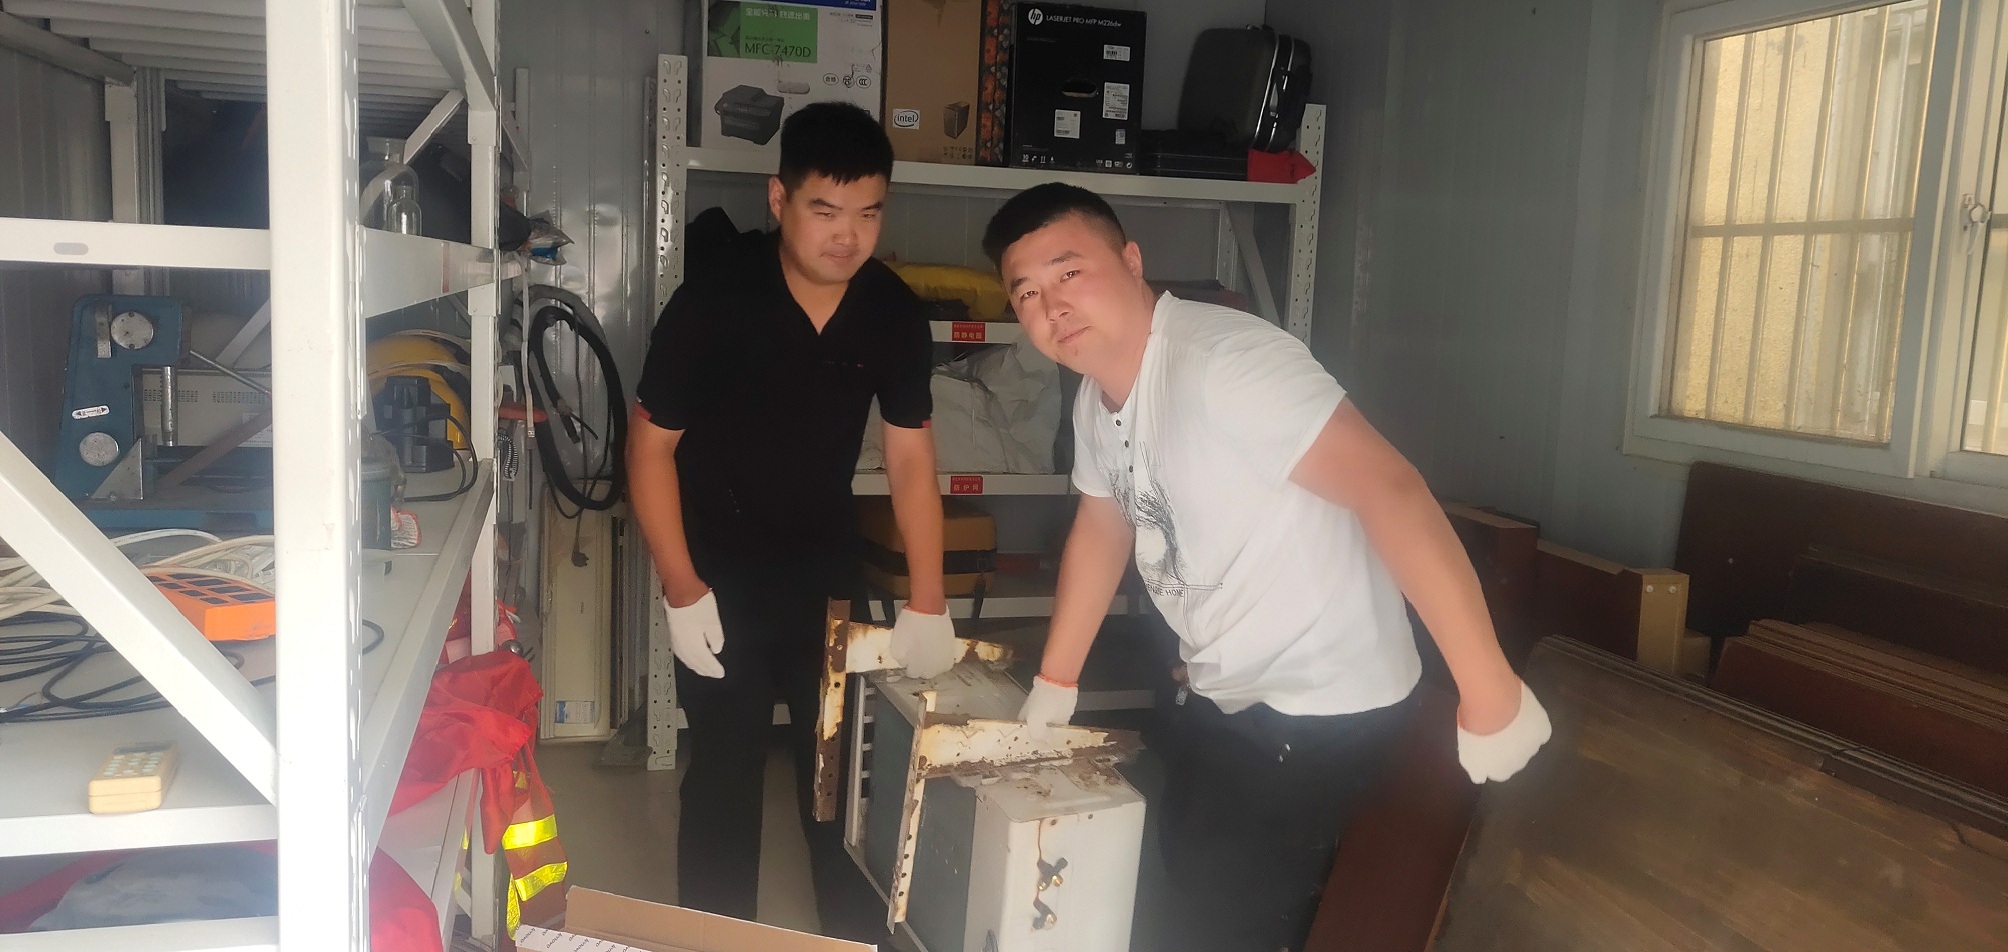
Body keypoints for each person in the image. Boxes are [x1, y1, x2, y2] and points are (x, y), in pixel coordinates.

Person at [985, 183, 1552, 952]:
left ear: (1132, 261)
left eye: (1069, 272)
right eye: (1027, 292)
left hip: (1315, 701)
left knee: (1221, 921)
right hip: (1228, 692)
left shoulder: (1225, 362)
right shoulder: (1097, 397)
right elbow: (1104, 521)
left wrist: (1488, 689)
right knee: (1179, 883)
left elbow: (1389, 489)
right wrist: (1056, 683)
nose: (1052, 306)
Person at [626, 102, 962, 941]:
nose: (848, 236)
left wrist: (929, 599)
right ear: (779, 200)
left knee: (840, 776)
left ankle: (855, 938)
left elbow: (910, 460)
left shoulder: (890, 313)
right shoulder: (714, 300)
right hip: (719, 572)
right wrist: (681, 588)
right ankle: (714, 939)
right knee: (725, 772)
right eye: (825, 210)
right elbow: (650, 448)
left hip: (824, 572)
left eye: (869, 213)